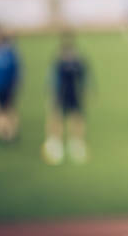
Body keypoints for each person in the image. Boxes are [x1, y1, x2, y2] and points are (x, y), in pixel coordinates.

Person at [41, 35, 89, 165]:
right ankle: (55, 142)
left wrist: (86, 92)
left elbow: (85, 79)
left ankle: (76, 143)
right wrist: (51, 95)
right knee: (56, 118)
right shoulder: (57, 64)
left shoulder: (79, 63)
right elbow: (51, 80)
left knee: (77, 118)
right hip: (59, 95)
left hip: (74, 95)